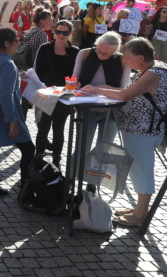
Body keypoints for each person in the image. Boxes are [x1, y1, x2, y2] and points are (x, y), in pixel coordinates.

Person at [82, 38, 166, 228]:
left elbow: (123, 96)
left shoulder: (152, 73)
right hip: (141, 130)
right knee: (138, 170)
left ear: (141, 57)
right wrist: (101, 89)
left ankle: (140, 215)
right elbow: (126, 90)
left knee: (141, 171)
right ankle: (139, 209)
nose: (125, 61)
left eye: (128, 58)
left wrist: (96, 89)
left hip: (143, 130)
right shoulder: (152, 69)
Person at [0, 27, 35, 197]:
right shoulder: (7, 64)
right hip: (5, 113)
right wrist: (12, 121)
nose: (19, 43)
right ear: (6, 43)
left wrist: (17, 76)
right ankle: (25, 187)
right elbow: (6, 96)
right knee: (28, 149)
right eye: (16, 40)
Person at [73, 31, 131, 154]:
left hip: (111, 112)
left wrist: (99, 88)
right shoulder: (85, 53)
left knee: (103, 153)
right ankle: (76, 173)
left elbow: (124, 91)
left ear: (115, 51)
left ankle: (96, 174)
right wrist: (75, 84)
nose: (100, 55)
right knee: (81, 150)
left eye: (106, 53)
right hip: (87, 109)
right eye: (98, 50)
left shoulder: (123, 60)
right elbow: (74, 80)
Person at [33, 20, 80, 168]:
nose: (61, 35)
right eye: (58, 32)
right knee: (43, 128)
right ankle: (38, 158)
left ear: (70, 34)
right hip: (45, 94)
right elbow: (36, 72)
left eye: (65, 33)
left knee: (59, 129)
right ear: (54, 32)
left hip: (64, 97)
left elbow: (78, 75)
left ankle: (56, 160)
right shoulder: (45, 48)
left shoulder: (75, 52)